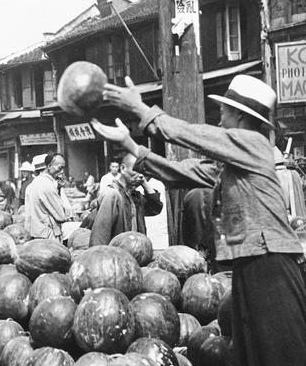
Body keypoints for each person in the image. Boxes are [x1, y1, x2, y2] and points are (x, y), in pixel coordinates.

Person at [92, 74, 306, 366]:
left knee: (280, 352)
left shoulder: (254, 144)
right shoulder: (235, 164)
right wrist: (131, 144)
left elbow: (196, 135)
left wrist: (142, 110)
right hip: (252, 262)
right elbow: (180, 172)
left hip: (269, 263)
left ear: (242, 119)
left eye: (223, 114)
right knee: (253, 353)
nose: (219, 123)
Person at [88, 153, 163, 246]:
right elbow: (100, 236)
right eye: (136, 171)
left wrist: (144, 183)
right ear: (123, 168)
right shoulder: (112, 194)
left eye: (143, 173)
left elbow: (155, 208)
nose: (140, 176)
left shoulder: (135, 195)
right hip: (118, 255)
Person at [24, 152, 71, 241]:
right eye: (60, 168)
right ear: (49, 166)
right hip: (49, 235)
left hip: (36, 233)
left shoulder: (32, 185)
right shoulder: (47, 185)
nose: (62, 172)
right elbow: (62, 216)